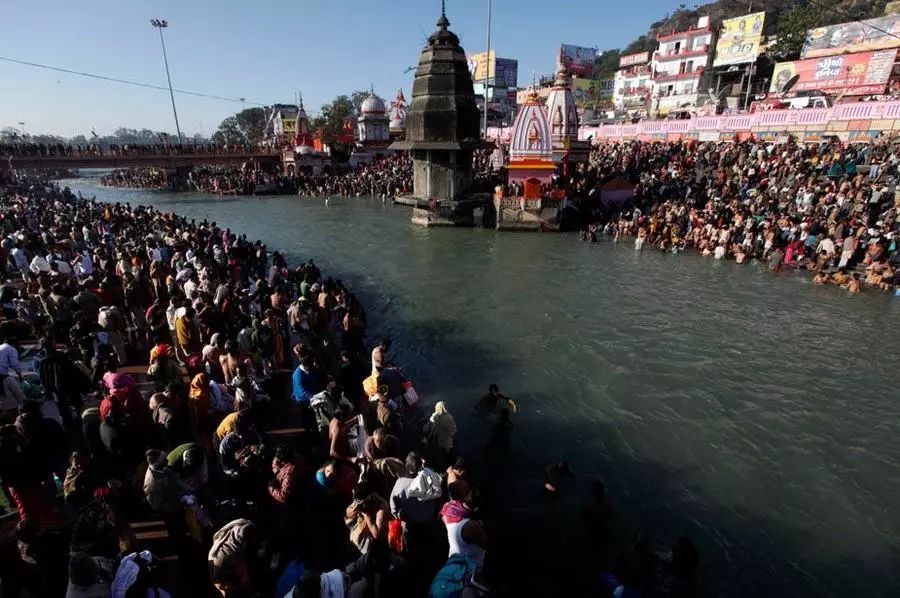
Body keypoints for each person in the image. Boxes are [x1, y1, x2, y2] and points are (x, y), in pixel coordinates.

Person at [440, 483, 488, 572]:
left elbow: (442, 519)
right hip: (469, 569)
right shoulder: (471, 526)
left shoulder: (448, 506)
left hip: (454, 560)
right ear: (477, 508)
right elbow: (486, 544)